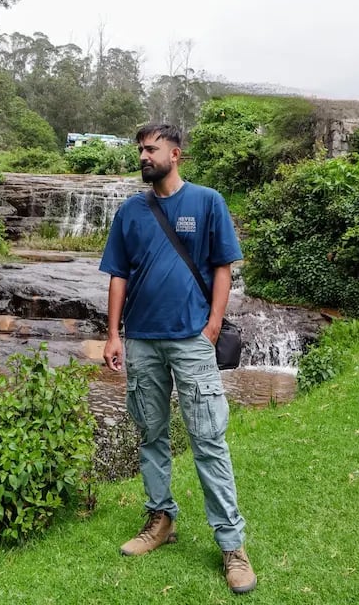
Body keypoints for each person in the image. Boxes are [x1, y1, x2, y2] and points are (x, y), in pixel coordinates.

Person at [100, 123, 257, 595]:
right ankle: (161, 519)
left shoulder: (207, 202)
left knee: (208, 439)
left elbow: (222, 267)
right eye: (140, 150)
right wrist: (112, 334)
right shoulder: (130, 211)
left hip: (191, 340)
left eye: (152, 149)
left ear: (176, 153)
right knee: (151, 434)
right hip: (142, 341)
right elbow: (118, 275)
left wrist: (211, 326)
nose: (144, 156)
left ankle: (232, 546)